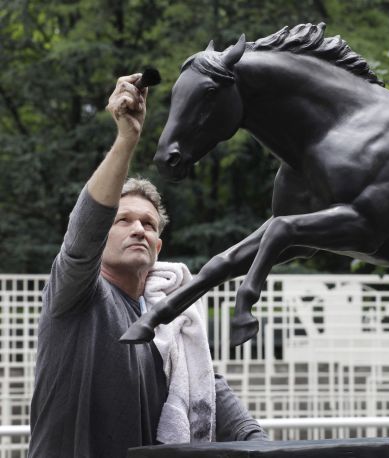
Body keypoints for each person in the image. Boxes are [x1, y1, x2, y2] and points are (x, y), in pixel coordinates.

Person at [28, 74, 266, 458]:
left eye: (148, 224)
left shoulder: (169, 318)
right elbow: (84, 232)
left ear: (158, 246)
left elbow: (208, 385)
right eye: (123, 220)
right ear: (101, 235)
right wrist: (127, 139)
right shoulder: (76, 292)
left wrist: (257, 440)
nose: (138, 229)